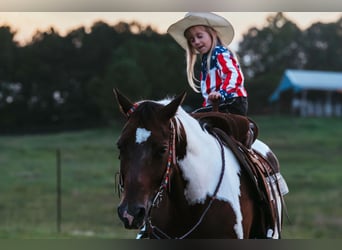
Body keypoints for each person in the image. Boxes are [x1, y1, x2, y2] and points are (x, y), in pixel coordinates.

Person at [167, 12, 248, 116]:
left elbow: (234, 74)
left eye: (200, 36)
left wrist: (221, 93)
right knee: (194, 118)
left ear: (213, 34)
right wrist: (207, 104)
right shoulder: (206, 61)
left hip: (231, 101)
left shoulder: (219, 52)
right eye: (192, 40)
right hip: (218, 104)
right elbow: (210, 90)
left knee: (195, 119)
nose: (196, 42)